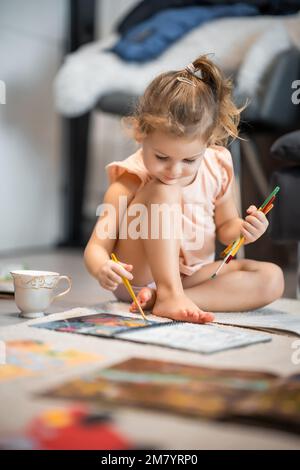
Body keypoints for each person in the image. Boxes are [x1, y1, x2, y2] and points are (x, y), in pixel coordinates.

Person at [84, 54, 284, 323]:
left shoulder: (218, 165)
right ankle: (166, 293)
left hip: (191, 276)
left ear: (209, 140)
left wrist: (246, 230)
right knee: (163, 189)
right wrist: (101, 268)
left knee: (272, 278)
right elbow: (96, 247)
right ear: (140, 133)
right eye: (162, 157)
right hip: (139, 279)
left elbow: (227, 228)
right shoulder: (130, 178)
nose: (174, 171)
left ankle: (168, 299)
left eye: (190, 160)